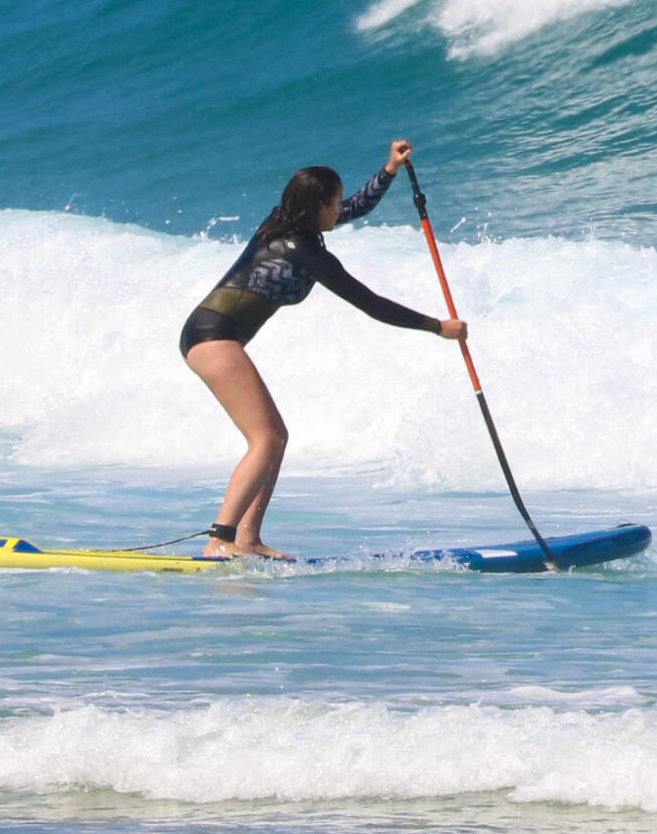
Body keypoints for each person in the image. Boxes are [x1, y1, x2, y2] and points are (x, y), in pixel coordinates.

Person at [179, 139, 467, 558]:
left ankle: (248, 539)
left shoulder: (289, 223)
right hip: (211, 336)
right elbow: (370, 303)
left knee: (275, 437)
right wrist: (437, 327)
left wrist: (389, 170)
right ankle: (219, 540)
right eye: (333, 203)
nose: (339, 209)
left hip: (216, 335)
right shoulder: (304, 252)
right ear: (316, 206)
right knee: (265, 438)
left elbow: (356, 207)